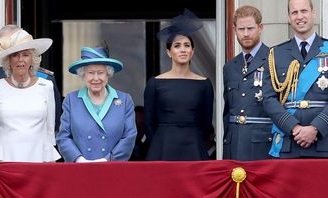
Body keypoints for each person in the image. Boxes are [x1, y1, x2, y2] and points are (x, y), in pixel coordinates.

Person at [144, 9, 214, 161]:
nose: (182, 49)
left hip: (194, 148)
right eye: (177, 45)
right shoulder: (155, 83)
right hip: (162, 148)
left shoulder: (204, 84)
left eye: (187, 45)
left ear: (192, 51)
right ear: (169, 52)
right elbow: (149, 124)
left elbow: (206, 124)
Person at [262, 0, 328, 158]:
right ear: (288, 17)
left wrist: (316, 128)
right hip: (289, 143)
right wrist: (294, 128)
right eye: (294, 12)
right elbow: (268, 98)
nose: (300, 16)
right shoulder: (276, 54)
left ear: (313, 13)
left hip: (324, 142)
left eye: (304, 11)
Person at [0, 29, 61, 162]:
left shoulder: (46, 86)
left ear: (32, 59)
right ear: (8, 60)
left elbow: (50, 134)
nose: (20, 60)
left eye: (25, 55)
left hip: (38, 159)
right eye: (15, 55)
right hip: (4, 159)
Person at [56, 46, 137, 162]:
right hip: (80, 169)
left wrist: (108, 160)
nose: (96, 78)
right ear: (83, 75)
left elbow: (129, 136)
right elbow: (63, 136)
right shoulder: (71, 100)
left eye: (100, 73)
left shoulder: (124, 100)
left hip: (112, 168)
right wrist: (79, 160)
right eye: (90, 73)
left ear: (108, 75)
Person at [223, 5, 273, 161]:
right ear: (234, 29)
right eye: (241, 29)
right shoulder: (230, 67)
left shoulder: (274, 59)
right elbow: (228, 112)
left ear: (260, 27)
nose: (245, 34)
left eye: (250, 28)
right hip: (234, 146)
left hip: (263, 146)